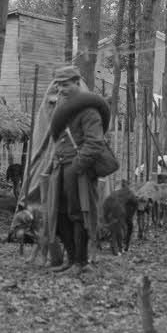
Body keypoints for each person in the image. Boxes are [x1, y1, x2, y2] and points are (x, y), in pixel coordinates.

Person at [41, 63, 117, 272]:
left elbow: (95, 143)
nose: (62, 89)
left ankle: (81, 262)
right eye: (59, 86)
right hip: (60, 167)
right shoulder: (60, 109)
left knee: (79, 213)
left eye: (66, 85)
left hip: (79, 170)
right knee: (60, 213)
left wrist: (77, 166)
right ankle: (70, 259)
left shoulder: (89, 111)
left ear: (77, 83)